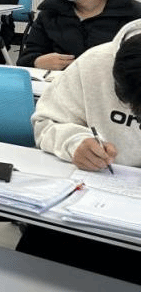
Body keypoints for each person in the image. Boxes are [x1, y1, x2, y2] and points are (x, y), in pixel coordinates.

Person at [18, 25, 141, 283]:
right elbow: (46, 121)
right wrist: (76, 143)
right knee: (34, 268)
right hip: (94, 199)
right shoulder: (94, 64)